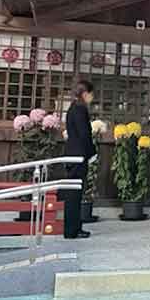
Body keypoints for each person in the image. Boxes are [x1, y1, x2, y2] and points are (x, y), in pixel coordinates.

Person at [63, 80, 97, 240]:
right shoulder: (80, 109)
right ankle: (72, 229)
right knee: (74, 194)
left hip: (72, 153)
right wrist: (92, 153)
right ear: (85, 94)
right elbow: (85, 135)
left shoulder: (72, 108)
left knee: (74, 193)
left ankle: (74, 228)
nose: (92, 97)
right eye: (91, 94)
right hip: (78, 155)